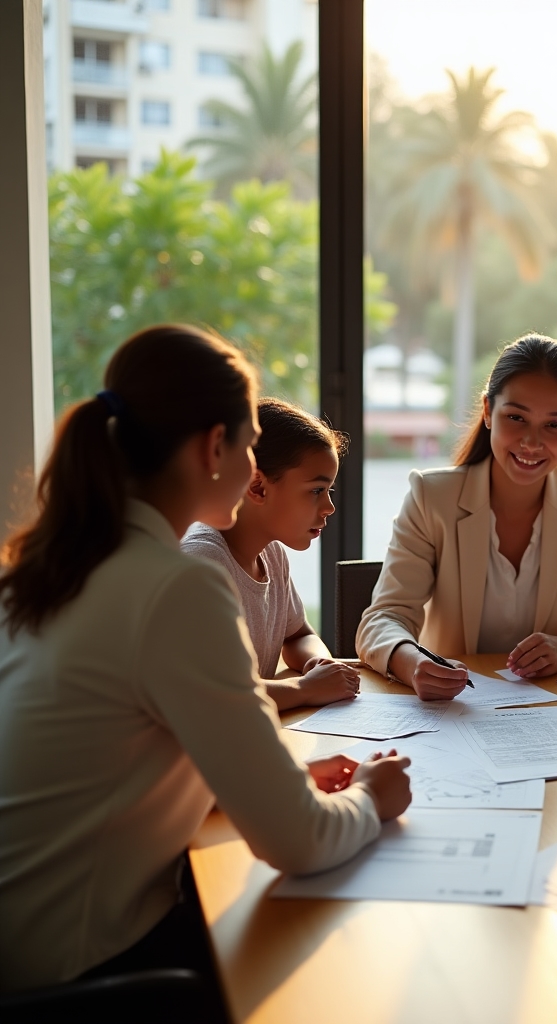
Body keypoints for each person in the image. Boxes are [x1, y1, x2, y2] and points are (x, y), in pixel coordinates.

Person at [0, 325, 412, 998]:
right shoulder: (177, 584)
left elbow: (118, 757)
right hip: (73, 970)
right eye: (251, 445)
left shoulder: (55, 563)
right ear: (214, 448)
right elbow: (300, 844)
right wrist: (373, 797)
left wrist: (280, 777)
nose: (253, 467)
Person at [357, 333, 557, 700]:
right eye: (516, 417)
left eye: (554, 425)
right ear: (488, 411)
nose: (532, 442)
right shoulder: (431, 497)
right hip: (454, 708)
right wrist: (411, 662)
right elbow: (383, 618)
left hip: (553, 711)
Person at [182, 397, 359, 711]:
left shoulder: (272, 553)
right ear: (258, 487)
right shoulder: (203, 565)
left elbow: (297, 635)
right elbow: (214, 695)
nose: (330, 507)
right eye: (317, 490)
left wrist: (318, 663)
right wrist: (304, 688)